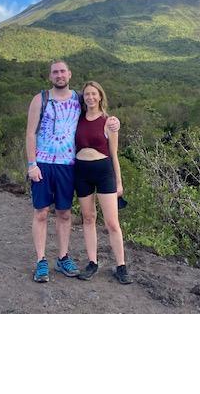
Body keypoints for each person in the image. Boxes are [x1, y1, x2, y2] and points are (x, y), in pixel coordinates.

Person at [25, 59, 119, 283]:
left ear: (69, 74)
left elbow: (97, 114)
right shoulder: (40, 99)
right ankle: (40, 261)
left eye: (62, 72)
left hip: (69, 165)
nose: (59, 75)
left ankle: (63, 257)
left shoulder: (79, 99)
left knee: (65, 213)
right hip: (44, 164)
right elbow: (30, 134)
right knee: (41, 213)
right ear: (50, 76)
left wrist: (114, 122)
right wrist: (32, 165)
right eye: (55, 72)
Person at [74, 80, 133, 284]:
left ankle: (121, 266)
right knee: (88, 218)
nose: (90, 97)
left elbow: (114, 154)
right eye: (86, 94)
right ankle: (92, 262)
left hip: (104, 171)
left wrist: (119, 182)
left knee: (112, 222)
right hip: (81, 171)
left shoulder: (109, 122)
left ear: (100, 96)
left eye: (94, 94)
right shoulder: (78, 119)